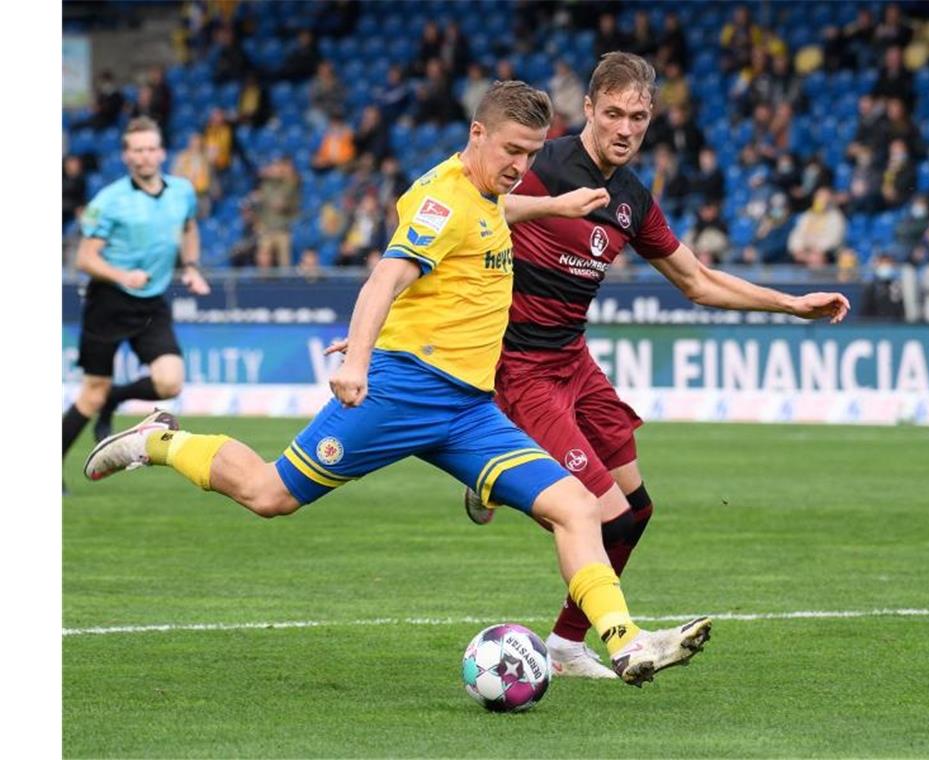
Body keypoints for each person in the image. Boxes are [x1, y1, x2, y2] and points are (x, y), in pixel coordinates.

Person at [83, 82, 712, 687]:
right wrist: (358, 361)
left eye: (530, 152)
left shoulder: (490, 193)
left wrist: (552, 204)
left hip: (469, 410)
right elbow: (383, 279)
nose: (521, 165)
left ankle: (625, 643)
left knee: (577, 505)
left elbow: (496, 210)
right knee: (269, 494)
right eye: (511, 151)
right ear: (477, 134)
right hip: (401, 392)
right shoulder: (440, 200)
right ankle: (159, 440)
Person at [461, 53, 849, 679]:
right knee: (601, 512)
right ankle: (617, 628)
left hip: (573, 362)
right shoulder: (544, 165)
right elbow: (465, 212)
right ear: (587, 109)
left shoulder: (631, 200)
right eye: (612, 113)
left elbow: (696, 279)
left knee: (636, 513)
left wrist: (790, 304)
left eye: (637, 117)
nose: (624, 128)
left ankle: (563, 645)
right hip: (520, 368)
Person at [62, 117, 210, 472]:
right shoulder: (109, 201)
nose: (144, 156)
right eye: (136, 150)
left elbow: (189, 229)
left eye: (150, 149)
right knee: (91, 390)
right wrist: (122, 275)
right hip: (108, 302)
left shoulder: (182, 191)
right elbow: (84, 257)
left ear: (161, 152)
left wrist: (190, 266)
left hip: (152, 303)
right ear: (127, 156)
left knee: (170, 381)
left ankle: (113, 399)